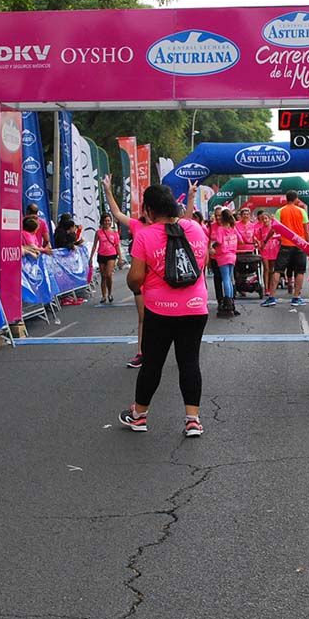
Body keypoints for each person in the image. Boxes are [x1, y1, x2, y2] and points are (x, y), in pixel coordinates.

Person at [119, 184, 210, 438]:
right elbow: (201, 263)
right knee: (189, 362)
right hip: (195, 307)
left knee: (152, 364)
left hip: (160, 310)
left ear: (148, 210)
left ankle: (139, 415)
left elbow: (135, 278)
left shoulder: (145, 236)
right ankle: (193, 420)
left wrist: (141, 283)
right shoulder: (195, 229)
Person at [103, 175, 147, 368]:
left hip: (160, 279)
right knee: (143, 317)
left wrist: (189, 199)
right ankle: (141, 352)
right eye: (145, 208)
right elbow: (117, 213)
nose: (146, 211)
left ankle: (159, 351)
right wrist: (107, 190)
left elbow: (186, 221)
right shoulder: (137, 224)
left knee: (164, 320)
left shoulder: (163, 226)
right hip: (140, 278)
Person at [274, 192, 309, 307]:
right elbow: (306, 230)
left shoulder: (280, 211)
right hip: (299, 244)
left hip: (285, 244)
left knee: (278, 270)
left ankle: (271, 296)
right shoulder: (301, 211)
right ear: (296, 199)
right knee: (300, 271)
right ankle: (296, 297)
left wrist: (266, 240)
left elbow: (275, 227)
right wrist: (308, 244)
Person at [211, 209, 239, 318]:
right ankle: (231, 301)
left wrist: (212, 247)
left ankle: (227, 302)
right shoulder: (233, 228)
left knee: (225, 279)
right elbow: (240, 239)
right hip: (233, 255)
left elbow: (219, 241)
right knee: (230, 279)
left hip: (223, 256)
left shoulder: (220, 229)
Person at [90, 213, 123, 304]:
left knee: (108, 274)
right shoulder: (98, 232)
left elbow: (117, 246)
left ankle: (110, 293)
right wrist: (91, 258)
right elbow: (94, 245)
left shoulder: (114, 233)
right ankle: (104, 295)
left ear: (111, 222)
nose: (107, 222)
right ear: (102, 221)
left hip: (111, 255)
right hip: (101, 255)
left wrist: (120, 258)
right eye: (105, 221)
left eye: (108, 221)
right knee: (103, 276)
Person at [255, 210, 281, 306]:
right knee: (266, 269)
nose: (265, 220)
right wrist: (258, 243)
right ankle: (266, 288)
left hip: (274, 250)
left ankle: (271, 288)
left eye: (266, 218)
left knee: (272, 270)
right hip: (265, 250)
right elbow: (257, 238)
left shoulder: (274, 228)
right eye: (263, 219)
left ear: (270, 219)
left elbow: (280, 236)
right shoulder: (260, 229)